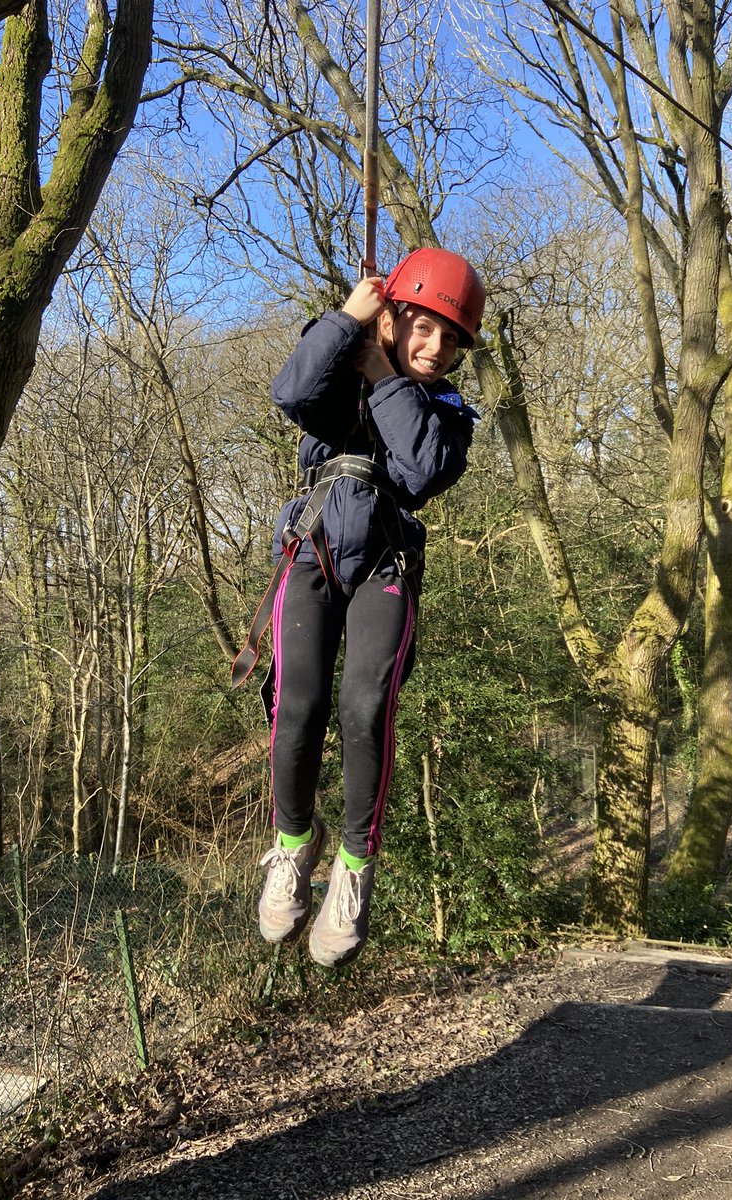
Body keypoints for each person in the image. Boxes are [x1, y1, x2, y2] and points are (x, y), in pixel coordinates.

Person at [253, 246, 486, 967]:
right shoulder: (340, 370)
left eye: (451, 340)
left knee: (363, 708)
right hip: (312, 549)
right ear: (393, 316)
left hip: (385, 561)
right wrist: (346, 321)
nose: (437, 348)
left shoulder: (447, 412)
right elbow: (291, 393)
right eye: (424, 328)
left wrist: (388, 376)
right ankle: (294, 845)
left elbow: (419, 471)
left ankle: (354, 868)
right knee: (296, 708)